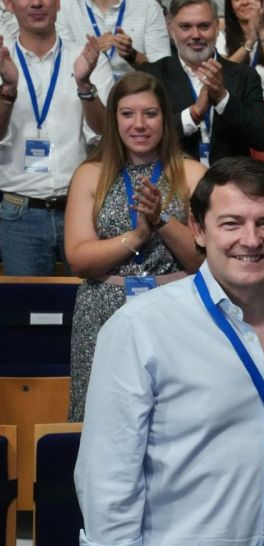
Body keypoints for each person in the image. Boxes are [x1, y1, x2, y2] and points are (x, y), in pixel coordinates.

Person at [75, 157, 264, 546]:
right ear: (198, 229)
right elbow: (108, 474)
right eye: (231, 223)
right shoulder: (140, 327)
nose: (251, 239)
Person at [64, 71, 205, 423]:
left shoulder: (192, 173)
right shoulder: (90, 174)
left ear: (165, 119)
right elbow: (79, 259)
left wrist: (161, 221)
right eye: (128, 114)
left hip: (174, 308)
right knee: (102, 420)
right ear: (114, 120)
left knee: (176, 420)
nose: (139, 124)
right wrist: (138, 237)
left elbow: (203, 262)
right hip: (103, 311)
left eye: (150, 114)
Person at [0, 0, 112, 276]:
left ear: (59, 3)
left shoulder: (86, 58)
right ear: (9, 5)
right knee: (26, 302)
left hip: (81, 209)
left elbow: (105, 130)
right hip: (19, 213)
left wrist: (84, 86)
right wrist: (8, 89)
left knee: (86, 299)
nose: (37, 2)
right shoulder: (2, 59)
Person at [141, 0, 264, 166]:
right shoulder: (153, 75)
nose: (196, 35)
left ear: (217, 28)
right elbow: (146, 134)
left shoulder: (244, 75)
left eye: (204, 26)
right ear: (171, 29)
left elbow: (263, 140)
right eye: (185, 27)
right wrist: (193, 114)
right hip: (175, 177)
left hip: (231, 179)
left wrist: (223, 99)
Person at [218, 0, 264, 162]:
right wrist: (249, 43)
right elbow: (222, 76)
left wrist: (262, 34)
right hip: (231, 119)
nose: (244, 2)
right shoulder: (221, 37)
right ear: (230, 7)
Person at [56, 0, 170, 80]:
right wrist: (90, 52)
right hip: (86, 92)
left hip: (135, 93)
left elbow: (164, 73)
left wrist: (132, 55)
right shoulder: (64, 6)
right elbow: (61, 70)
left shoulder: (148, 6)